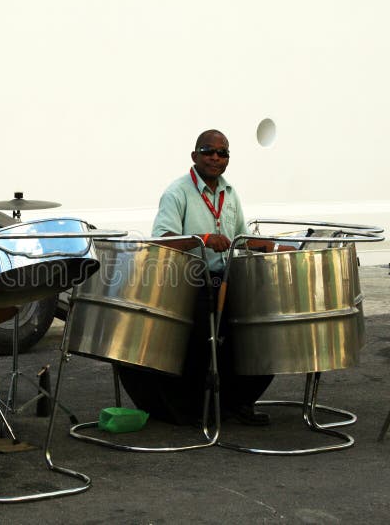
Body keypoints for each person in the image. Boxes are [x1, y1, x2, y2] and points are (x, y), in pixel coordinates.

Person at [118, 129, 292, 426]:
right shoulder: (178, 192)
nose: (215, 157)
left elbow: (240, 239)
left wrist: (273, 246)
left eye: (222, 153)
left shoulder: (230, 193)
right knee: (200, 345)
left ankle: (238, 402)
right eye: (208, 151)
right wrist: (203, 239)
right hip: (189, 283)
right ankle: (193, 409)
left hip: (226, 278)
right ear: (194, 156)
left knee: (259, 332)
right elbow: (163, 241)